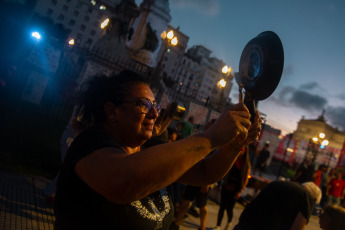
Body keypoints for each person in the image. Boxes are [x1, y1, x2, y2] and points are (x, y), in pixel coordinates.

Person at [53, 70, 262, 230]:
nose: (154, 113)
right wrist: (210, 138)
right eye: (144, 104)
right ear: (112, 111)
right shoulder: (90, 144)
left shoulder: (152, 146)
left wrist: (235, 144)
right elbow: (124, 181)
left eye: (155, 104)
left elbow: (206, 172)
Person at [233, 181, 321, 230]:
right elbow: (299, 225)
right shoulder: (307, 197)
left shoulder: (281, 183)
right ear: (314, 199)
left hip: (244, 224)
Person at [214, 147, 251, 230]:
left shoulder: (246, 164)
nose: (240, 150)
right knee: (222, 207)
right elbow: (224, 171)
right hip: (226, 185)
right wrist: (220, 183)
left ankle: (229, 223)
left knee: (229, 208)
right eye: (240, 148)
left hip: (235, 189)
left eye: (243, 149)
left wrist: (240, 191)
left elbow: (245, 179)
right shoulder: (232, 158)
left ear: (245, 151)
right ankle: (218, 226)